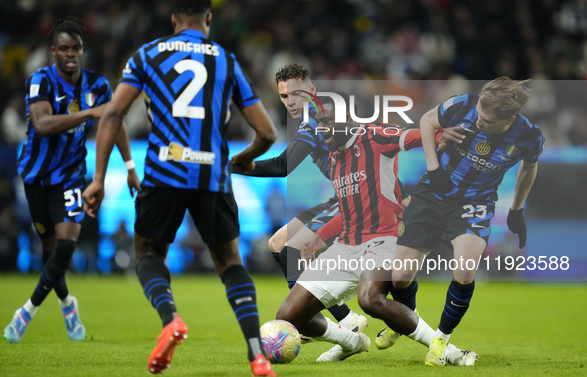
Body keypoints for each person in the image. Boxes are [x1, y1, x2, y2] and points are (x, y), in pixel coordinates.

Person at [82, 0, 277, 376]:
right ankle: (257, 354)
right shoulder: (226, 59)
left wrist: (100, 177)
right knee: (229, 263)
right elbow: (268, 133)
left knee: (150, 254)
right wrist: (244, 157)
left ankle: (170, 319)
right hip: (212, 174)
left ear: (174, 20)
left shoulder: (147, 55)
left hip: (163, 171)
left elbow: (111, 115)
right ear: (209, 19)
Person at [276, 95, 477, 366]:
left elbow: (416, 136)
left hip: (384, 240)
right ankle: (352, 341)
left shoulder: (374, 136)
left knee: (369, 299)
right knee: (288, 317)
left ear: (346, 120)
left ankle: (449, 351)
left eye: (325, 120)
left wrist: (441, 134)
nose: (319, 128)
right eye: (316, 122)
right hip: (346, 246)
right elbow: (348, 213)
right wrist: (318, 239)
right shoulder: (334, 159)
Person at [3, 16, 140, 344]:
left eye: (75, 48)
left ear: (83, 50)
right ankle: (67, 303)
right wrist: (90, 114)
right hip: (36, 177)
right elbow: (42, 124)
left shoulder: (98, 86)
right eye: (63, 48)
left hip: (70, 177)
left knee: (66, 245)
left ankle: (26, 311)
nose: (69, 54)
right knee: (51, 255)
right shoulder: (40, 81)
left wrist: (131, 165)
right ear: (53, 51)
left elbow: (115, 121)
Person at [392, 77, 544, 366]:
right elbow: (426, 121)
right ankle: (406, 320)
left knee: (464, 272)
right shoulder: (463, 105)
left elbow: (529, 167)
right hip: (431, 194)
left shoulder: (529, 136)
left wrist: (516, 210)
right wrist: (434, 167)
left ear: (509, 119)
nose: (479, 122)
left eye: (486, 121)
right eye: (479, 114)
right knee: (399, 277)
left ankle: (440, 340)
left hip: (474, 203)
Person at [232, 64, 367, 338]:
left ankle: (315, 320)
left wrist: (232, 164)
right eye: (284, 96)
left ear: (312, 90)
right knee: (277, 243)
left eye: (296, 93)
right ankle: (346, 318)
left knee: (291, 251)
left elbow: (284, 166)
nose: (290, 101)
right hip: (340, 195)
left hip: (358, 198)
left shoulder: (319, 118)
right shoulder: (312, 117)